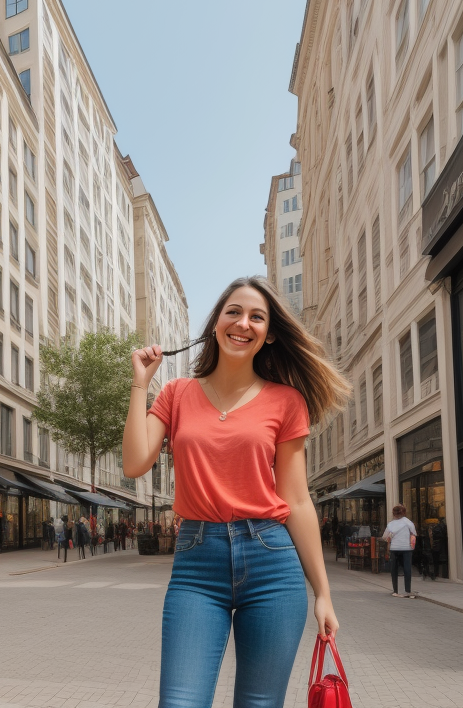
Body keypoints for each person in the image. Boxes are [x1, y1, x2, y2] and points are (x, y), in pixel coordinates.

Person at [122, 276, 349, 708]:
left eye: (256, 317)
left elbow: (297, 500)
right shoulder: (177, 393)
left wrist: (323, 593)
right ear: (216, 324)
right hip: (196, 564)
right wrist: (139, 385)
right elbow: (135, 463)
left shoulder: (286, 402)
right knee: (179, 702)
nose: (243, 323)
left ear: (269, 334)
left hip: (271, 563)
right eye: (234, 312)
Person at [382, 504, 418, 598]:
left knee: (394, 569)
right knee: (407, 569)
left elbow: (385, 537)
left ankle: (395, 590)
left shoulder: (391, 524)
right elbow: (414, 533)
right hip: (406, 548)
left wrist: (391, 537)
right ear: (404, 512)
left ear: (394, 513)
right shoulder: (408, 522)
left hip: (394, 548)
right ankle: (407, 590)